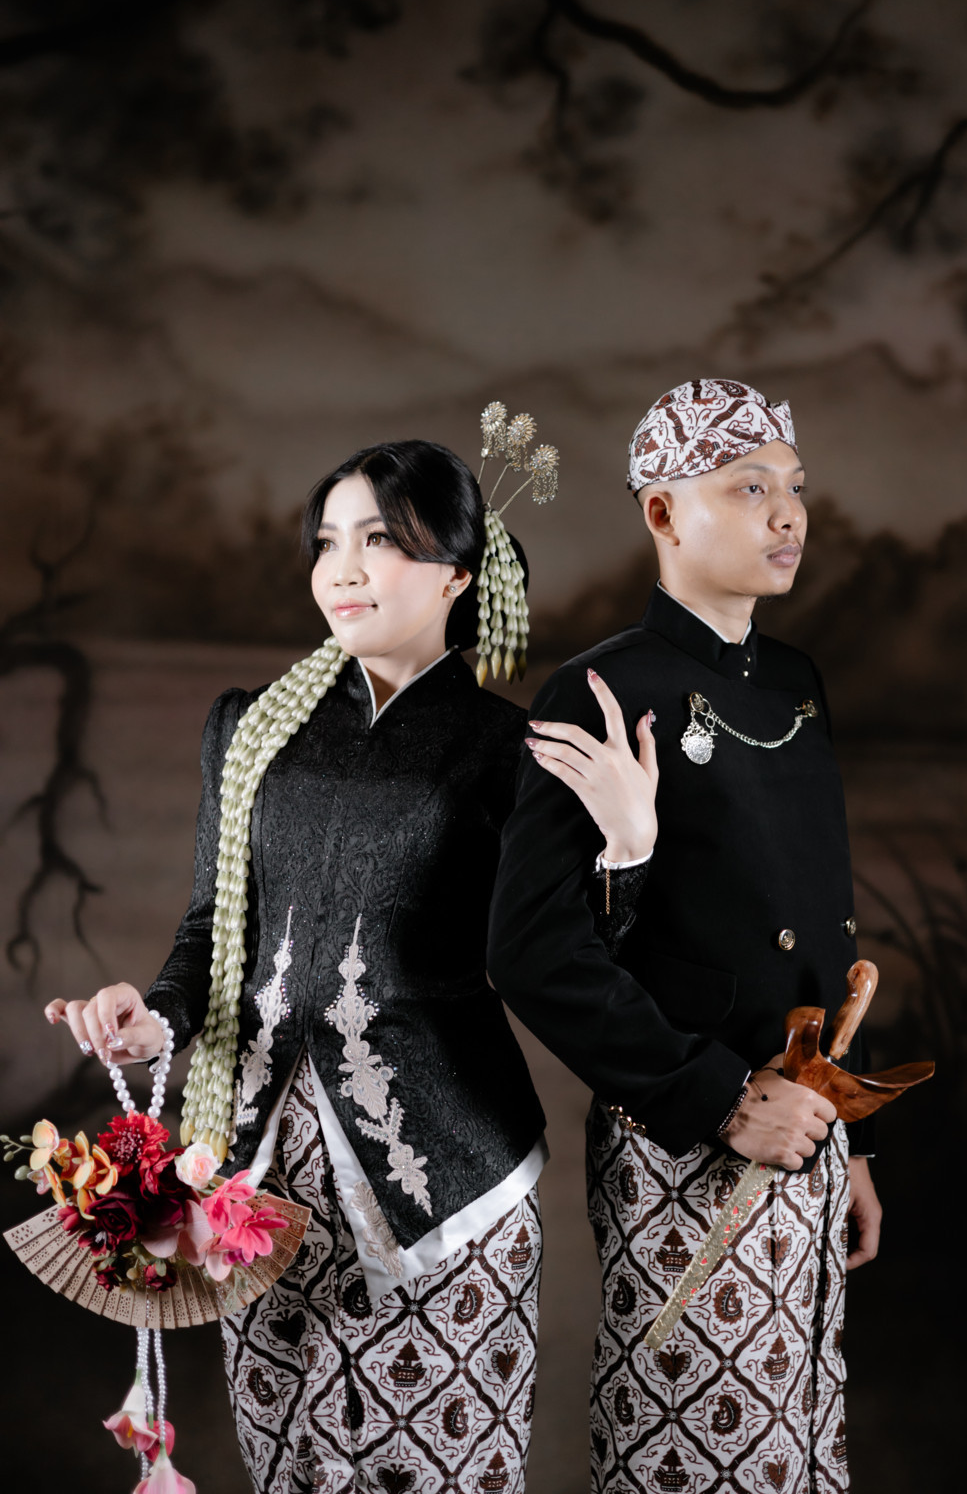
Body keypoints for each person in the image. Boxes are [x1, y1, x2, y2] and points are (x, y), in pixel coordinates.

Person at [43, 438, 657, 1494]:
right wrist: (153, 1016)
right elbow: (212, 928)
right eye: (327, 543)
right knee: (289, 1468)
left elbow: (581, 961)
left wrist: (629, 846)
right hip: (256, 1190)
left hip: (450, 1183)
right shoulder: (249, 729)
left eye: (380, 541)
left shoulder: (514, 750)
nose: (344, 569)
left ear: (459, 573)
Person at [487, 380, 882, 1493]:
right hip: (686, 1140)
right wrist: (718, 1098)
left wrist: (854, 1145)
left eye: (793, 487)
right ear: (661, 513)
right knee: (694, 1454)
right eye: (748, 489)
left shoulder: (795, 679)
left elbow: (816, 930)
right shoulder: (600, 690)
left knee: (797, 1447)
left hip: (809, 1129)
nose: (788, 514)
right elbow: (533, 949)